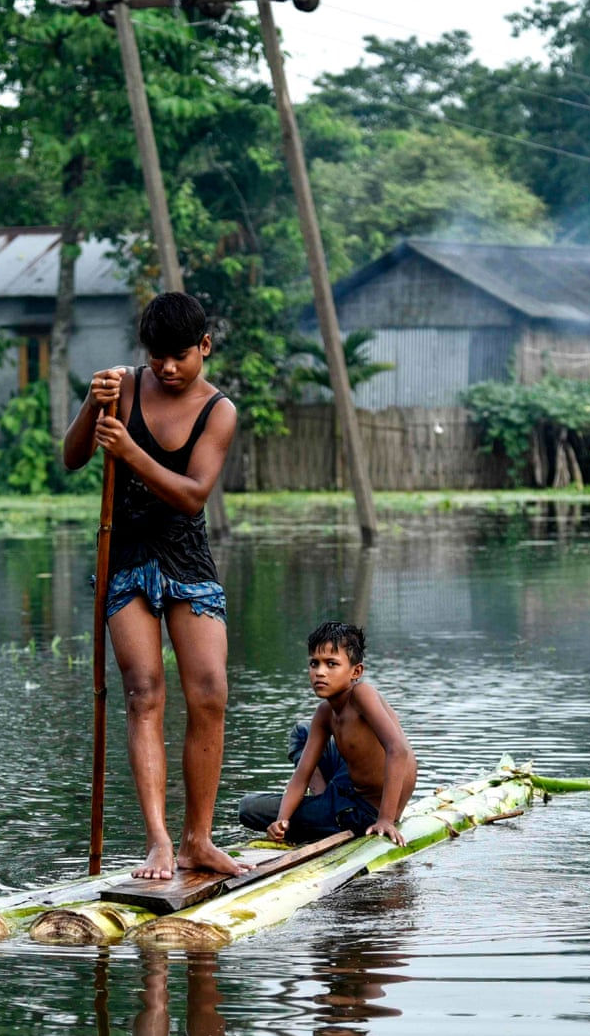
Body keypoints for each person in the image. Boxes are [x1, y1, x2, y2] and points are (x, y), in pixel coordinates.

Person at [62, 291, 245, 880]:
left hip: (187, 557)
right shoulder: (123, 387)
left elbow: (193, 494)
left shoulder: (219, 410)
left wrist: (132, 452)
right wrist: (93, 407)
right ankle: (160, 843)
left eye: (180, 357)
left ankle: (199, 839)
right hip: (126, 554)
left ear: (205, 348)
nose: (167, 368)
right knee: (144, 694)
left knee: (210, 692)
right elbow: (71, 458)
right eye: (156, 356)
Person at [239, 621, 418, 846]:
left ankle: (325, 812)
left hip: (363, 810)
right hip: (347, 782)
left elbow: (398, 750)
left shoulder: (363, 694)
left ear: (356, 671)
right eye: (314, 663)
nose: (320, 672)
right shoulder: (325, 713)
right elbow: (302, 775)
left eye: (331, 664)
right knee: (302, 732)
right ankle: (321, 802)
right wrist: (281, 820)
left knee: (249, 808)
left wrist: (385, 819)